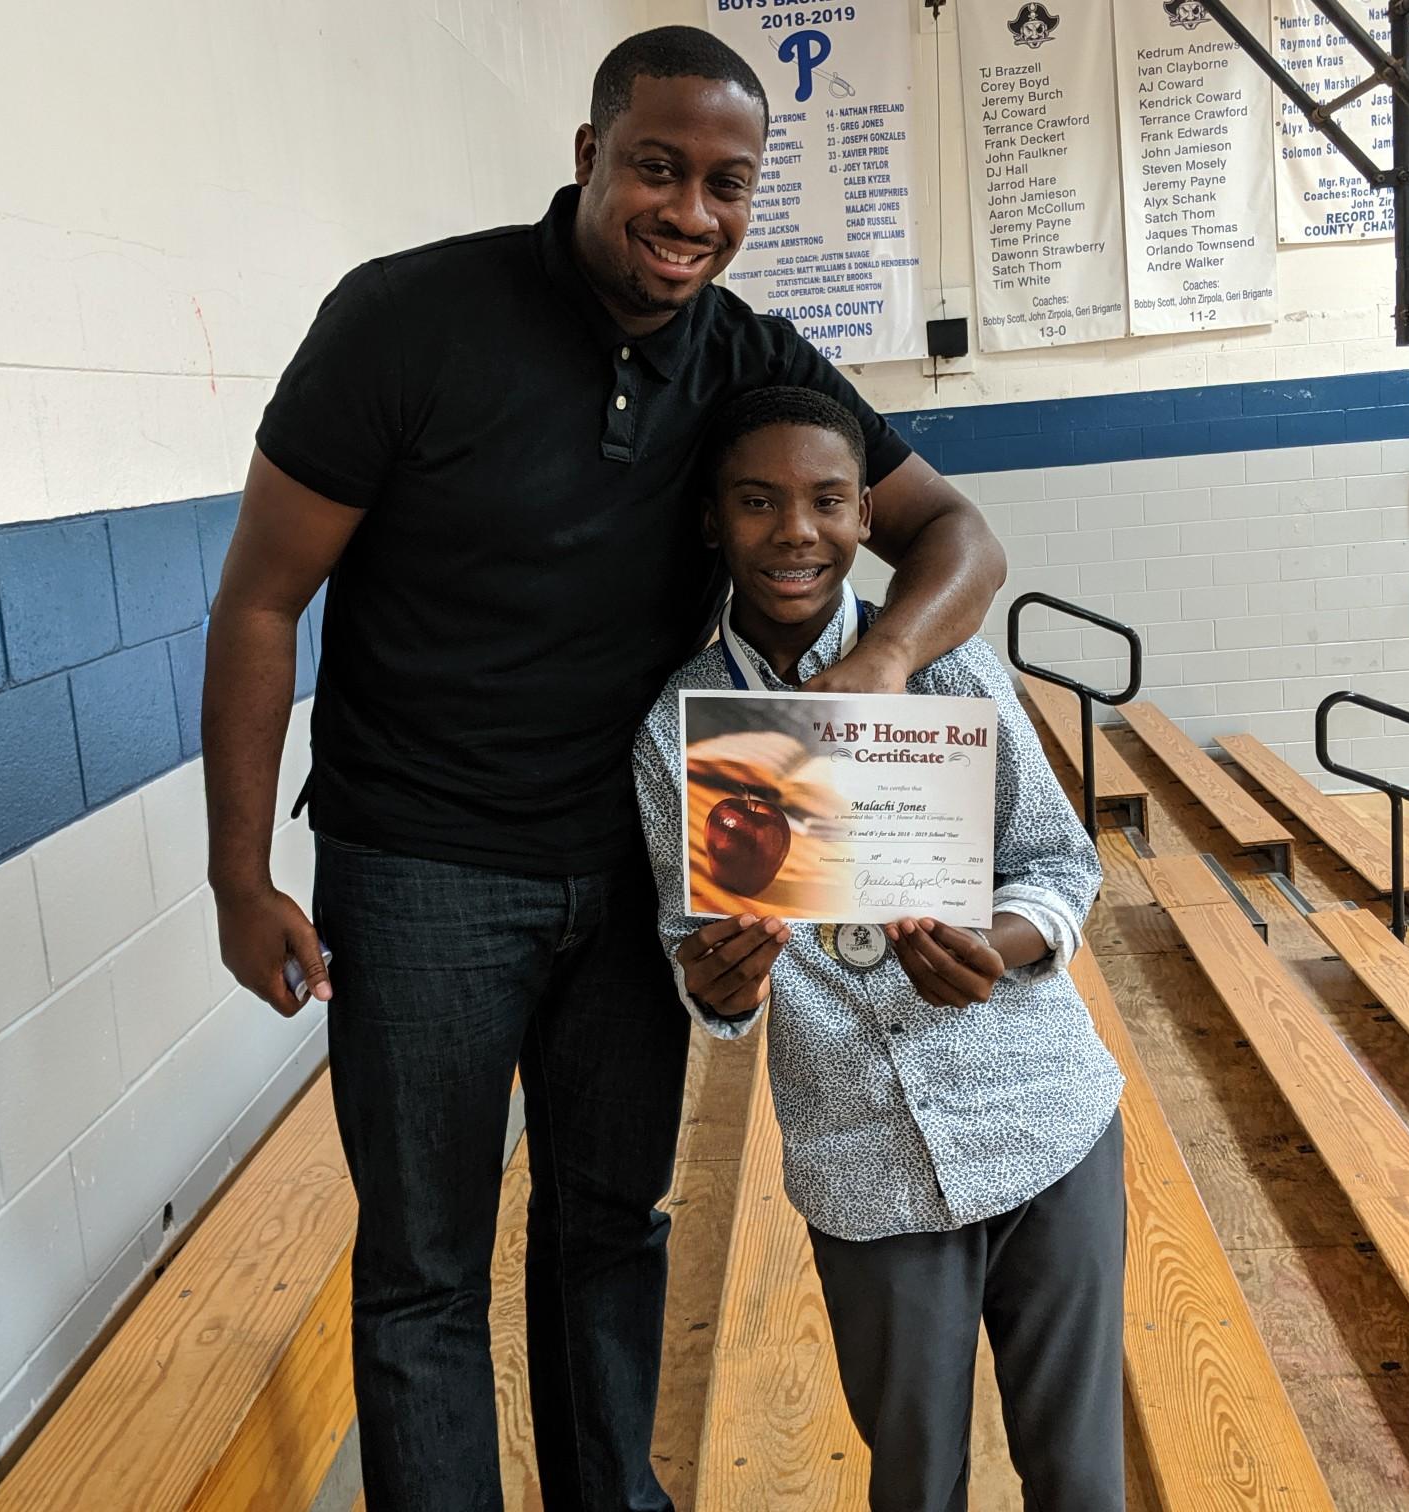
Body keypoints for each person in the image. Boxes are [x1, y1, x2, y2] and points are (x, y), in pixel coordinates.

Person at [203, 26, 1006, 1512]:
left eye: (727, 184)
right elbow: (260, 599)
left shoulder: (747, 356)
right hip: (420, 863)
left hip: (634, 865)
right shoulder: (404, 320)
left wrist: (885, 662)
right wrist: (237, 878)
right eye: (657, 168)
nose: (691, 213)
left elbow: (958, 534)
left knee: (608, 1227)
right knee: (425, 1267)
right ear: (588, 156)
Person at [633, 386, 1126, 1512]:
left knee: (1080, 1479)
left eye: (826, 501)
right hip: (866, 1165)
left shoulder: (950, 670)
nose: (794, 532)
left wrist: (993, 943)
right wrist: (720, 984)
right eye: (757, 502)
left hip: (1044, 1119)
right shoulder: (682, 732)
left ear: (867, 514)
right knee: (912, 1483)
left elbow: (1060, 865)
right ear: (711, 520)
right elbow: (695, 956)